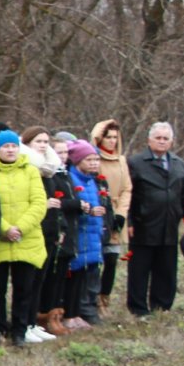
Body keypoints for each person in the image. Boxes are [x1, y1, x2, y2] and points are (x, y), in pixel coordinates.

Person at [125, 122, 184, 316]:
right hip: (143, 226)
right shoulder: (135, 162)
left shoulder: (178, 163)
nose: (162, 142)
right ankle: (139, 309)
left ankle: (162, 306)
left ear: (172, 142)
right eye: (158, 138)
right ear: (149, 140)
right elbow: (127, 195)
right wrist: (129, 222)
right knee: (139, 270)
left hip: (169, 226)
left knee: (166, 270)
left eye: (166, 139)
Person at [0, 130, 47, 344]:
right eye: (5, 146)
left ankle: (20, 330)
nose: (10, 150)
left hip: (27, 238)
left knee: (24, 288)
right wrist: (5, 229)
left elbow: (39, 203)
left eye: (13, 146)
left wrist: (20, 228)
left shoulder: (31, 171)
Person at [20, 127, 73, 340]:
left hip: (50, 230)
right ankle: (22, 323)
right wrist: (44, 204)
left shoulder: (50, 170)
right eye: (37, 142)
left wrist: (60, 228)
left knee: (40, 280)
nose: (42, 145)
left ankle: (33, 322)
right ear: (28, 144)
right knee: (27, 281)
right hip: (34, 229)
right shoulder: (28, 167)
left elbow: (58, 200)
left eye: (44, 141)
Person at [89, 119, 133, 315]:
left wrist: (121, 214)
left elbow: (127, 188)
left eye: (115, 137)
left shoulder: (122, 161)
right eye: (108, 137)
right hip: (98, 212)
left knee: (112, 259)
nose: (112, 141)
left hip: (116, 213)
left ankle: (104, 297)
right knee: (95, 259)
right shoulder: (93, 159)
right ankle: (91, 299)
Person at [64, 141, 110, 327]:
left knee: (88, 273)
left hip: (93, 233)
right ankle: (73, 311)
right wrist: (88, 210)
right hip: (80, 234)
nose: (93, 163)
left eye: (96, 159)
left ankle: (83, 311)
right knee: (75, 275)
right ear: (77, 161)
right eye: (88, 159)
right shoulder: (71, 179)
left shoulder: (93, 181)